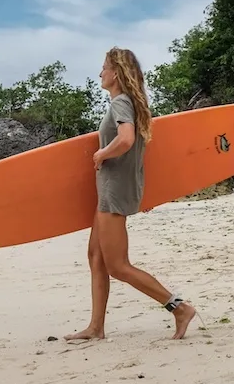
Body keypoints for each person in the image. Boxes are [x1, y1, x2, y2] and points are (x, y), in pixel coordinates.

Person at [64, 47, 196, 342]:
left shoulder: (121, 103)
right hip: (111, 189)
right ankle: (96, 327)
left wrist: (101, 153)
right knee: (96, 257)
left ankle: (179, 308)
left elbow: (126, 140)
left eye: (104, 67)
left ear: (116, 73)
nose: (100, 73)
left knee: (118, 266)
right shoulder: (128, 103)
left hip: (114, 190)